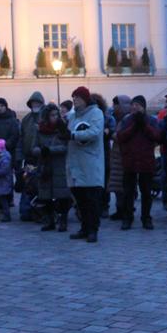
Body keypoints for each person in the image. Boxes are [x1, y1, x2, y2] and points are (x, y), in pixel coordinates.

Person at [64, 86, 104, 243]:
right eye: (73, 97)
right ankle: (84, 228)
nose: (75, 100)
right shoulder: (73, 116)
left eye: (78, 98)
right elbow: (66, 133)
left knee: (91, 200)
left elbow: (94, 132)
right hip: (75, 164)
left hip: (90, 163)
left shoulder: (96, 113)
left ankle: (93, 229)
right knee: (80, 200)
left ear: (86, 99)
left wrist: (73, 135)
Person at [116, 95, 161, 230]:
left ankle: (146, 218)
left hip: (146, 160)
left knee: (146, 192)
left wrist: (144, 126)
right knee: (128, 192)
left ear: (143, 107)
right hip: (129, 160)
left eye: (138, 105)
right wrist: (134, 126)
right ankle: (127, 218)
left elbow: (157, 136)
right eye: (133, 105)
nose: (135, 108)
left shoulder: (151, 120)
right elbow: (120, 137)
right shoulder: (127, 120)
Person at [34, 104, 70, 232]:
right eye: (52, 115)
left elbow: (65, 147)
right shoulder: (40, 131)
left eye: (57, 114)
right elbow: (34, 147)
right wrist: (40, 151)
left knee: (62, 195)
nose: (55, 117)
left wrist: (50, 150)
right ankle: (49, 220)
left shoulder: (62, 129)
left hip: (59, 165)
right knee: (46, 195)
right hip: (45, 165)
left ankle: (63, 220)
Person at [17, 91, 46, 221]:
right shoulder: (26, 119)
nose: (35, 104)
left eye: (37, 102)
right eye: (33, 102)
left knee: (41, 185)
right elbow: (21, 138)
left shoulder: (45, 117)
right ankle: (26, 210)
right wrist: (19, 156)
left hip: (42, 157)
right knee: (27, 184)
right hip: (29, 158)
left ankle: (40, 212)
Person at [106, 95, 131, 220]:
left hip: (124, 155)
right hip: (116, 155)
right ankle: (120, 209)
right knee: (117, 185)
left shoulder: (127, 119)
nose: (113, 107)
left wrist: (111, 133)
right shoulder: (117, 117)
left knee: (123, 184)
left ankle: (126, 209)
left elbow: (120, 135)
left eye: (116, 104)